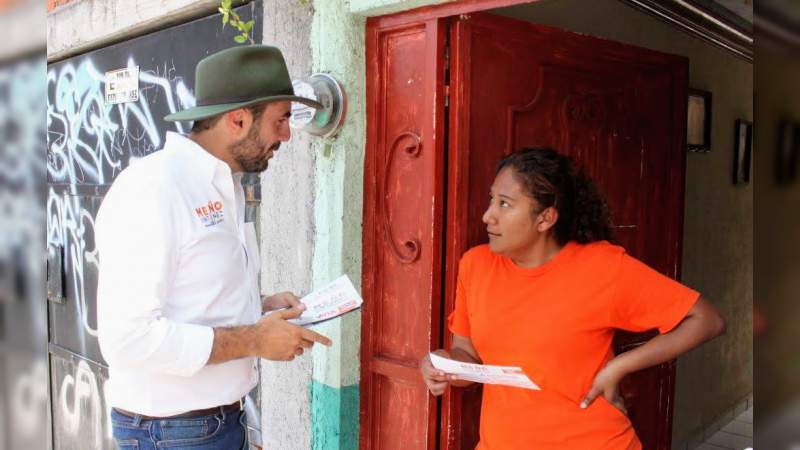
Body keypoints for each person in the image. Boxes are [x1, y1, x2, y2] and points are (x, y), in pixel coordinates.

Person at [96, 45, 331, 450]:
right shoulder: (154, 188)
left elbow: (191, 296)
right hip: (170, 432)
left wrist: (257, 305)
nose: (287, 135)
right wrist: (256, 339)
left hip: (214, 423)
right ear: (238, 120)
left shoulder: (226, 184)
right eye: (281, 120)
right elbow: (127, 338)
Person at [420, 147, 726, 450]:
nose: (488, 216)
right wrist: (444, 365)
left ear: (545, 218)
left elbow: (706, 320)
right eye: (491, 200)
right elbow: (467, 355)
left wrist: (618, 367)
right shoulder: (475, 265)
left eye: (504, 204)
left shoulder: (602, 268)